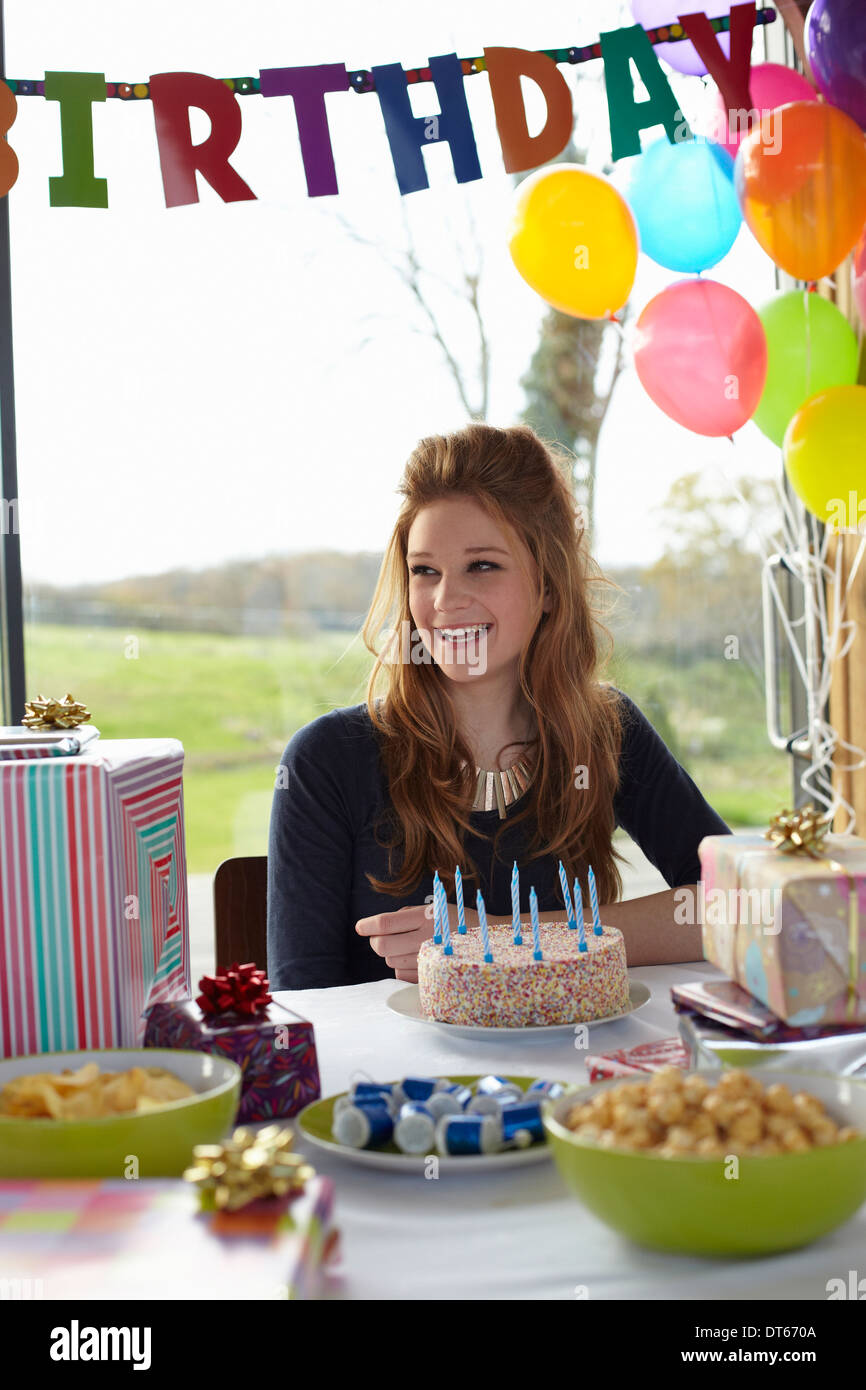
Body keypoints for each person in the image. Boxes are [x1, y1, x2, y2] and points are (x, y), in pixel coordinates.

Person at [267, 423, 731, 989]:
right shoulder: (326, 761)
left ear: (550, 585)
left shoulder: (609, 731)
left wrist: (507, 939)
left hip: (571, 1069)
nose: (444, 601)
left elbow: (736, 906)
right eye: (424, 571)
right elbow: (303, 1009)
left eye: (481, 565)